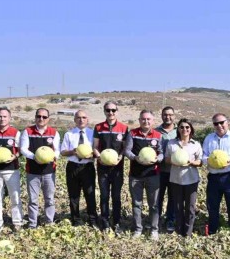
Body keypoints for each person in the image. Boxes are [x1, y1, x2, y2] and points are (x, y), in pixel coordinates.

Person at [124, 109, 163, 240]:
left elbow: (161, 152)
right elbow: (127, 151)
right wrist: (135, 158)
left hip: (153, 175)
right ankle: (138, 229)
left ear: (153, 121)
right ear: (139, 120)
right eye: (143, 119)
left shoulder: (158, 135)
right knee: (137, 203)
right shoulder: (132, 133)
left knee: (154, 204)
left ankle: (154, 229)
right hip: (136, 175)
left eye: (148, 119)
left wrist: (158, 159)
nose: (146, 121)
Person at [19, 108, 60, 228]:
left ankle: (49, 222)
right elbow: (23, 149)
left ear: (48, 119)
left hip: (49, 171)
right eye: (39, 116)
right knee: (33, 199)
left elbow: (57, 149)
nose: (41, 119)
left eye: (44, 117)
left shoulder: (54, 132)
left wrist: (54, 156)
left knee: (49, 198)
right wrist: (34, 157)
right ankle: (32, 223)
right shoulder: (27, 131)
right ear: (35, 117)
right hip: (33, 171)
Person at [93, 101, 128, 233]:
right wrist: (98, 157)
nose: (111, 113)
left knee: (116, 196)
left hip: (117, 168)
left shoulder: (123, 128)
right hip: (102, 167)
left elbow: (124, 148)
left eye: (113, 110)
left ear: (117, 111)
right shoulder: (98, 127)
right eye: (108, 110)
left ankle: (117, 222)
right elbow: (95, 147)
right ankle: (105, 222)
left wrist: (119, 157)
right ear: (104, 111)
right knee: (104, 195)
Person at [165, 118, 203, 237]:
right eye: (182, 127)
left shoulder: (196, 144)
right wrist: (174, 161)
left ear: (191, 129)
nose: (184, 129)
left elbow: (200, 162)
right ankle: (179, 230)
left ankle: (188, 232)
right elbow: (166, 159)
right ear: (178, 129)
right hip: (176, 180)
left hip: (191, 180)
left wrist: (192, 162)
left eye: (187, 127)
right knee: (178, 206)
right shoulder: (171, 143)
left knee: (190, 207)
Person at [60, 110, 97, 227]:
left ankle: (93, 220)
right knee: (73, 195)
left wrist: (93, 155)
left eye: (84, 117)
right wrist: (73, 152)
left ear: (87, 119)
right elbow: (63, 152)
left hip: (88, 166)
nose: (81, 120)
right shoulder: (69, 134)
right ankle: (75, 220)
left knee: (90, 194)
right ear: (75, 120)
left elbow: (97, 150)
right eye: (78, 118)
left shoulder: (93, 134)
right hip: (73, 167)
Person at [156, 106, 177, 232]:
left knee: (173, 198)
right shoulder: (156, 131)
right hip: (159, 170)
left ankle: (170, 220)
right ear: (161, 116)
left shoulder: (179, 130)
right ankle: (156, 219)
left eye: (170, 114)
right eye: (165, 114)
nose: (167, 117)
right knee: (157, 197)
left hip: (175, 170)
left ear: (174, 116)